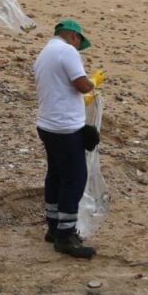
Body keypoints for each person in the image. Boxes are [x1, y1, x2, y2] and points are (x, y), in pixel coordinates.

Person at [34, 19, 98, 259]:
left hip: (47, 124)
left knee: (56, 175)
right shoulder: (67, 51)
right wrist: (92, 82)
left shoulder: (45, 52)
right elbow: (81, 85)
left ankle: (53, 226)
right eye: (79, 42)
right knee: (75, 178)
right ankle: (65, 235)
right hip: (64, 127)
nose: (78, 47)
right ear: (73, 36)